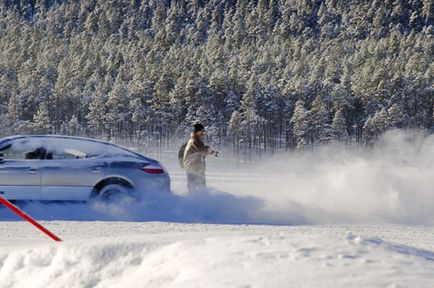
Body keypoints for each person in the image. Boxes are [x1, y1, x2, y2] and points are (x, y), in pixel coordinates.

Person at [183, 123, 215, 192]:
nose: (203, 133)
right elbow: (198, 150)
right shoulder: (193, 140)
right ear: (197, 131)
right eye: (202, 131)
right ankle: (193, 200)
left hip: (197, 167)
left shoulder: (198, 141)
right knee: (194, 187)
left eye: (204, 131)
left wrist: (209, 152)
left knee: (201, 186)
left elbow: (201, 153)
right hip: (192, 167)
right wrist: (208, 149)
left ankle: (200, 199)